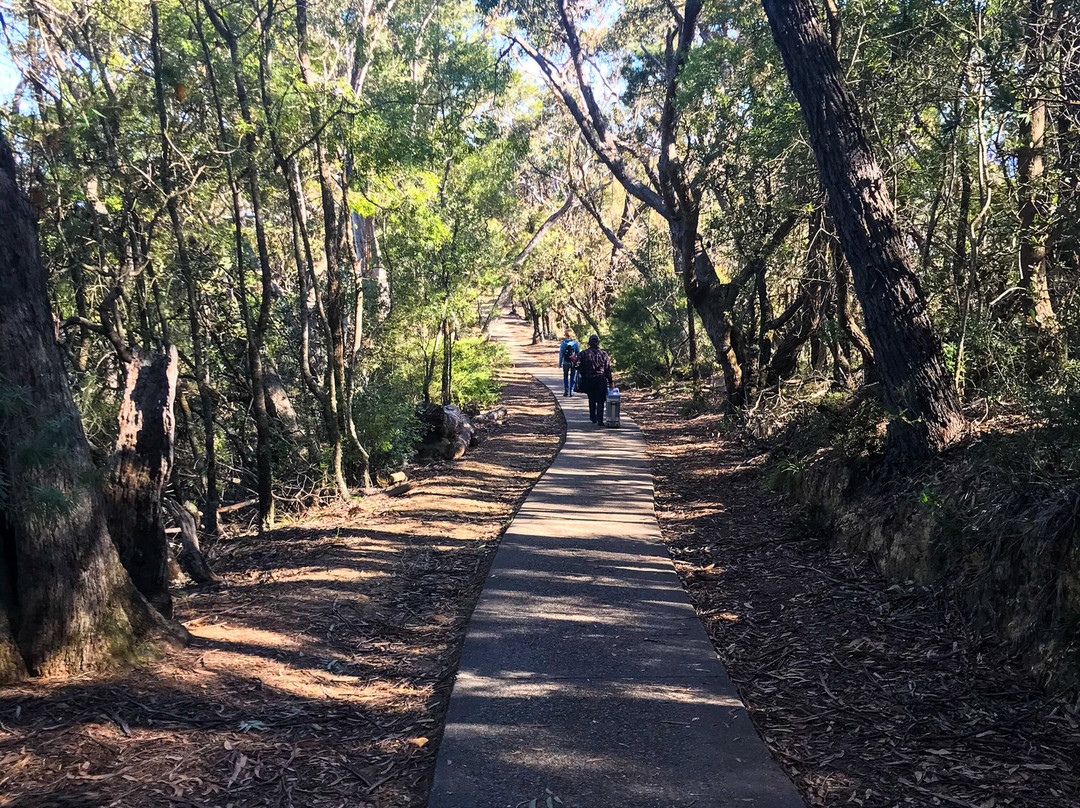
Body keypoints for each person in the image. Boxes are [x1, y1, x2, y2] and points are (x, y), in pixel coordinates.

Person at [576, 334, 613, 426]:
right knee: (600, 400)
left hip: (588, 380)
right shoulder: (603, 354)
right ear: (597, 343)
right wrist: (611, 381)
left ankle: (593, 417)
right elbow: (607, 369)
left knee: (591, 398)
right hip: (601, 379)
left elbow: (576, 365)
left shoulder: (583, 353)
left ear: (589, 343)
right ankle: (600, 420)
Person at [558, 329, 580, 397]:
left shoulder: (563, 343)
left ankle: (566, 390)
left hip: (565, 362)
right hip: (573, 362)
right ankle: (571, 391)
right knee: (573, 376)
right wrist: (578, 362)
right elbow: (578, 353)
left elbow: (561, 354)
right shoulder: (575, 344)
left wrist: (560, 363)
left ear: (566, 335)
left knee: (565, 376)